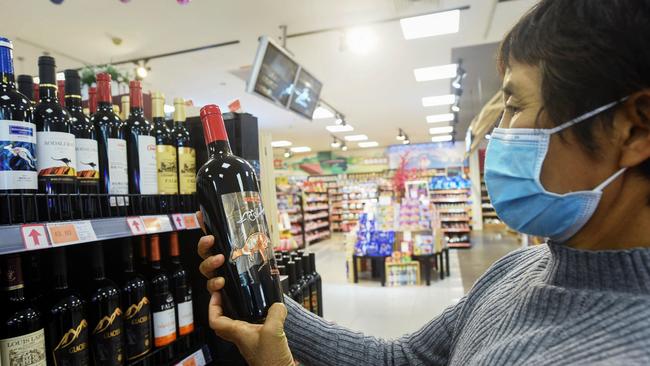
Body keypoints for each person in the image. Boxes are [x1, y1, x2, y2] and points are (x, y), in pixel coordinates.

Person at [197, 1, 650, 365]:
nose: (500, 134)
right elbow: (405, 356)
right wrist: (263, 296)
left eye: (514, 105)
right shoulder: (520, 268)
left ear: (633, 131)